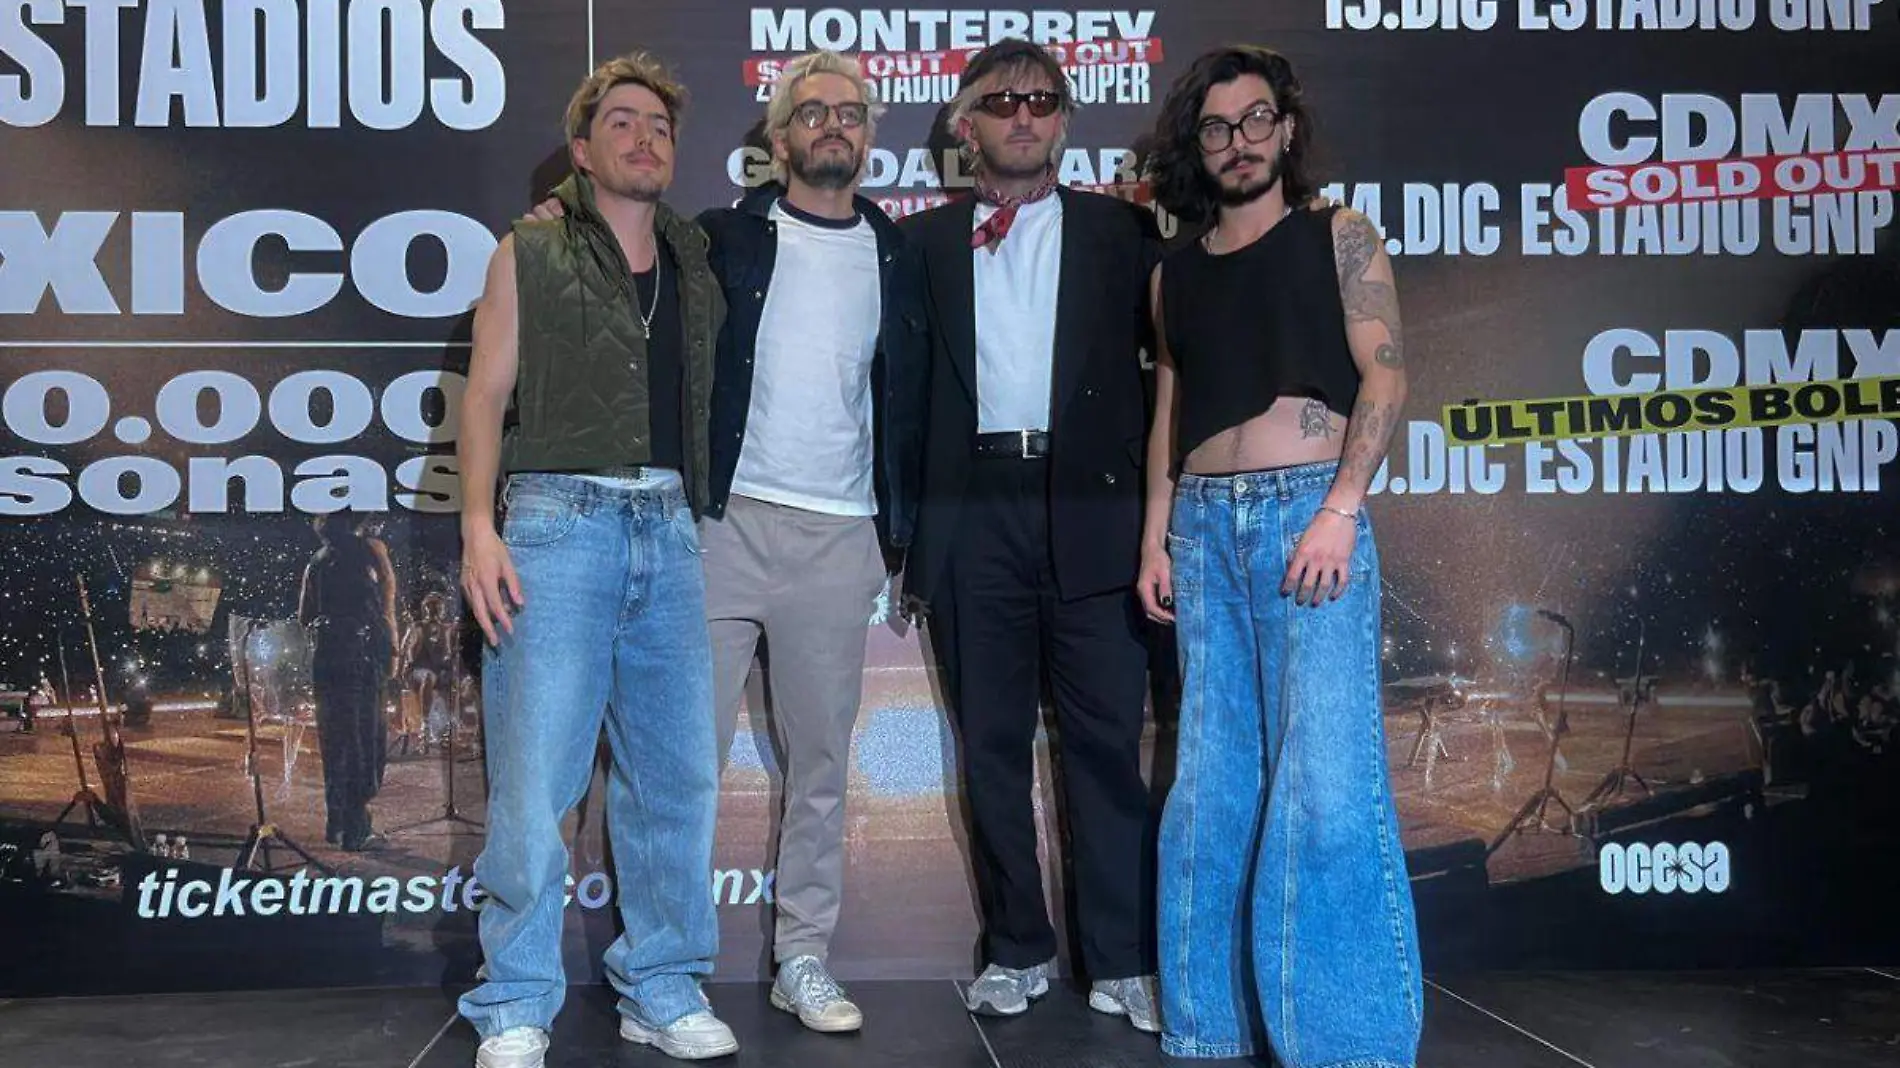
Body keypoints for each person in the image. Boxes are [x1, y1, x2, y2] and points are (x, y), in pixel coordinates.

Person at [524, 50, 928, 1034]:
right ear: (778, 139)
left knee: (821, 765)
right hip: (720, 525)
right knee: (674, 766)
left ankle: (804, 958)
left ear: (869, 138)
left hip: (840, 537)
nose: (833, 126)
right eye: (812, 112)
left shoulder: (898, 254)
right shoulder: (715, 239)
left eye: (851, 113)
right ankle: (657, 978)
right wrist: (557, 222)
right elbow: (611, 247)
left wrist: (898, 534)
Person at [1136, 45, 1423, 1065]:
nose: (1239, 142)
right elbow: (1168, 411)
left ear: (1286, 128)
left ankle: (1344, 1046)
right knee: (1209, 789)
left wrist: (1341, 507)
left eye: (1256, 120)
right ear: (1198, 145)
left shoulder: (1339, 235)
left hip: (1309, 515)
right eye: (1217, 128)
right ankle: (1208, 1028)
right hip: (1202, 531)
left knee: (1326, 785)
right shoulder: (1171, 275)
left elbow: (1385, 377)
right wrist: (1156, 538)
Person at [454, 51, 736, 1068]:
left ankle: (661, 987)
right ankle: (516, 999)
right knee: (535, 785)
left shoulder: (696, 258)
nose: (643, 137)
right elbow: (484, 396)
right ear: (580, 149)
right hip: (554, 522)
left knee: (676, 780)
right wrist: (478, 528)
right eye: (620, 122)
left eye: (658, 125)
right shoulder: (525, 250)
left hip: (669, 524)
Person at [899, 38, 1159, 1028]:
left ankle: (1122, 959)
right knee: (994, 745)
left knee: (1104, 745)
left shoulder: (1124, 233)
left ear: (1065, 120)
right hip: (971, 514)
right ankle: (1017, 949)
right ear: (965, 124)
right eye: (1003, 101)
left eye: (1042, 101)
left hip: (1095, 508)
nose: (1023, 116)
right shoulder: (921, 244)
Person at [296, 510, 398, 852]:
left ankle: (336, 822)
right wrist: (393, 652)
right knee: (364, 739)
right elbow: (387, 606)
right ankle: (356, 826)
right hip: (362, 655)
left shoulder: (317, 559)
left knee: (335, 739)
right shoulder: (373, 549)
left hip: (327, 655)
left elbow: (304, 615)